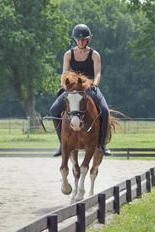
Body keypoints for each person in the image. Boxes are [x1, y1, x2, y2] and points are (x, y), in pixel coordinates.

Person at [50, 23, 111, 156]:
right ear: (75, 40)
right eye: (78, 39)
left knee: (105, 111)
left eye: (83, 39)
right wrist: (63, 85)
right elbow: (64, 73)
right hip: (73, 88)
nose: (81, 41)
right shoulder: (68, 54)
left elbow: (98, 73)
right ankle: (62, 144)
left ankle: (101, 144)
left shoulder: (95, 55)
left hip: (89, 87)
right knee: (54, 110)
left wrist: (94, 84)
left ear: (88, 39)